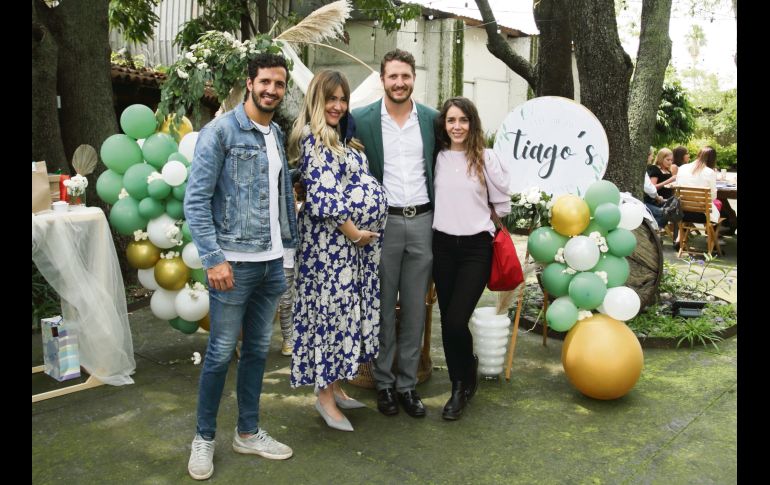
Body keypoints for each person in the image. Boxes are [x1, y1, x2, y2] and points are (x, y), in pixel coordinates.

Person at [183, 53, 297, 480]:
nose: (271, 90)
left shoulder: (275, 132)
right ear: (249, 83)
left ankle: (247, 432)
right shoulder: (220, 132)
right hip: (233, 264)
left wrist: (286, 251)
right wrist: (213, 259)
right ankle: (204, 439)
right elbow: (195, 202)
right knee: (218, 355)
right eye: (265, 81)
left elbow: (279, 199)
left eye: (279, 84)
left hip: (270, 264)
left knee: (255, 352)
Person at [288, 70, 387, 432]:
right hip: (330, 250)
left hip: (351, 250)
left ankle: (335, 386)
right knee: (328, 318)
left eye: (343, 99)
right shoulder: (314, 142)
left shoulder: (345, 139)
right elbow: (325, 197)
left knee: (345, 316)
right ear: (317, 99)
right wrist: (354, 232)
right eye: (331, 98)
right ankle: (324, 397)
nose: (338, 105)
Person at [352, 49, 438, 418]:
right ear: (382, 80)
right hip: (381, 225)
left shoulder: (433, 120)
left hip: (422, 221)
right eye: (393, 77)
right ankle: (384, 384)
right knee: (383, 307)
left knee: (416, 308)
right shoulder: (362, 119)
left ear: (413, 78)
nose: (399, 82)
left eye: (405, 76)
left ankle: (408, 385)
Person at [431, 97, 511, 420]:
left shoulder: (485, 159)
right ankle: (461, 378)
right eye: (451, 120)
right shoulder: (436, 157)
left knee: (455, 320)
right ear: (444, 125)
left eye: (463, 120)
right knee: (449, 322)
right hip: (443, 246)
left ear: (472, 123)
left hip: (476, 248)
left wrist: (485, 216)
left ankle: (460, 386)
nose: (457, 126)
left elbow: (502, 206)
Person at [276, 172, 304, 357]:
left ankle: (299, 337)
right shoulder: (279, 201)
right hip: (285, 252)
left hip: (300, 251)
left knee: (300, 297)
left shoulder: (301, 206)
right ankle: (288, 338)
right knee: (286, 300)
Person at [642, 147, 667, 229]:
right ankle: (654, 234)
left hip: (646, 199)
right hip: (643, 201)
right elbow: (649, 188)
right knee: (664, 213)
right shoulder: (651, 169)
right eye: (651, 155)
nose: (652, 158)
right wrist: (658, 197)